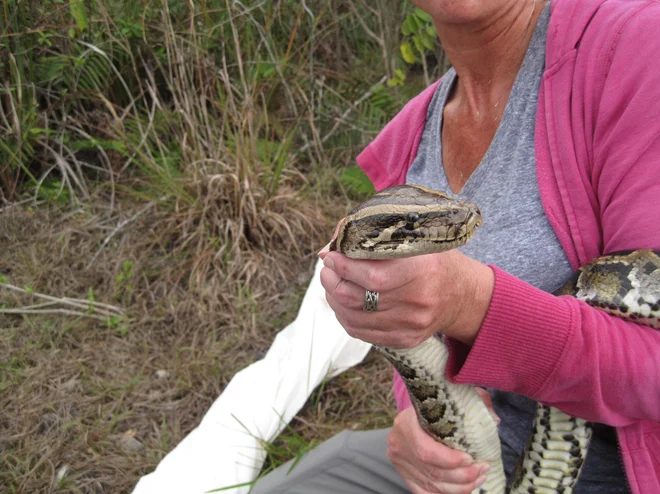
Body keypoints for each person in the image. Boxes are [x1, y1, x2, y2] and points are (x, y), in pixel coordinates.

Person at [251, 0, 660, 492]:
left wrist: (473, 304)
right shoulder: (412, 136)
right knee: (299, 481)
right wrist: (418, 420)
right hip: (476, 467)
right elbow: (412, 334)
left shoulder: (638, 43)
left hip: (627, 476)